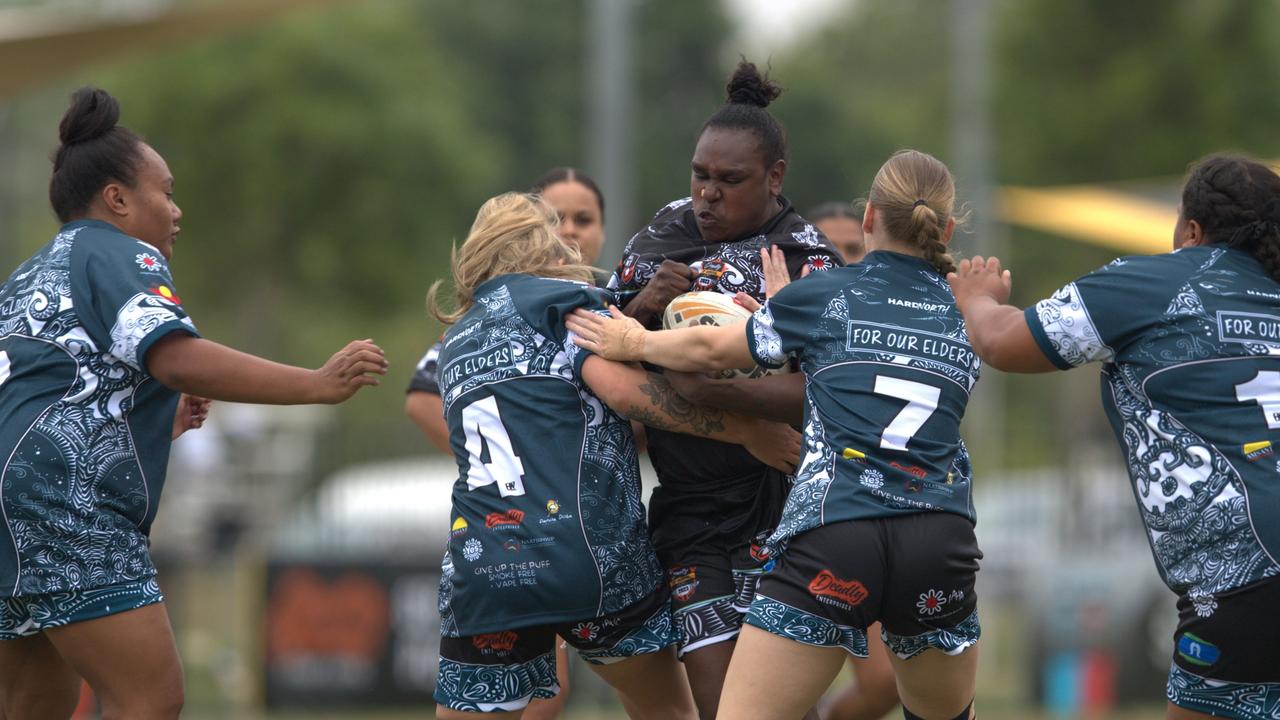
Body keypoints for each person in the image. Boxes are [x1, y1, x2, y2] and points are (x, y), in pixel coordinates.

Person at [0, 87, 386, 719]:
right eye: (167, 191)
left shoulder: (28, 274)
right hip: (65, 505)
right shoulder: (117, 249)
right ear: (117, 199)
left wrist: (146, 417)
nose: (177, 211)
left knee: (33, 706)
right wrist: (315, 384)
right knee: (150, 699)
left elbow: (50, 389)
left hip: (9, 508)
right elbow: (175, 356)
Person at [570, 149, 984, 720]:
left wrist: (634, 343)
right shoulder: (961, 309)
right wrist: (986, 302)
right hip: (940, 538)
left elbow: (713, 345)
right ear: (948, 228)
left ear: (867, 221)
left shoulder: (826, 293)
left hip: (840, 529)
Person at [425, 192, 800, 719]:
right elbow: (627, 396)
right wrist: (747, 432)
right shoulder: (562, 304)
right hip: (588, 557)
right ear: (545, 246)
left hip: (486, 564)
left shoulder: (455, 341)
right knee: (668, 711)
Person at [948, 153, 1280, 720]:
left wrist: (978, 299)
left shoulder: (1153, 284)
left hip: (1247, 568)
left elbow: (1005, 343)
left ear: (1192, 229)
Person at [606, 59, 844, 719]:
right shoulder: (660, 238)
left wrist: (729, 388)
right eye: (700, 175)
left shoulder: (808, 257)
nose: (708, 194)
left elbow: (827, 388)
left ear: (775, 178)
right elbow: (596, 363)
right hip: (693, 516)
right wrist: (645, 306)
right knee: (721, 709)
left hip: (791, 512)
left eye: (729, 181)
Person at [405, 167, 608, 719]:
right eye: (557, 219)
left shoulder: (589, 305)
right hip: (545, 529)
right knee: (550, 689)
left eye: (583, 219)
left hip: (553, 528)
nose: (570, 232)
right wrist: (510, 467)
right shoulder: (519, 316)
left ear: (604, 230)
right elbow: (421, 396)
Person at [806, 207, 899, 720]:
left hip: (857, 519)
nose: (843, 262)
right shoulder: (780, 318)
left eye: (855, 249)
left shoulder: (887, 333)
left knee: (886, 680)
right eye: (829, 251)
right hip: (772, 520)